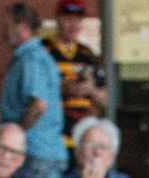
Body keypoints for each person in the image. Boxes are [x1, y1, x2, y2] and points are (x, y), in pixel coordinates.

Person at [0, 3, 69, 178]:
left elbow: (38, 105)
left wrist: (15, 135)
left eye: (7, 26)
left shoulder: (31, 59)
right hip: (42, 153)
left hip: (35, 153)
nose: (3, 32)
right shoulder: (39, 57)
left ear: (21, 26)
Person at [44, 0, 106, 147]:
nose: (74, 25)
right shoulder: (44, 52)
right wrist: (65, 89)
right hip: (51, 140)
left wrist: (90, 90)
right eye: (68, 19)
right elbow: (33, 93)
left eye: (78, 20)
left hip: (82, 141)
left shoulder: (88, 55)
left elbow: (105, 100)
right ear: (58, 19)